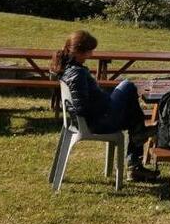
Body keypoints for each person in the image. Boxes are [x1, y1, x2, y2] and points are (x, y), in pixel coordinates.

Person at [51, 30, 157, 182]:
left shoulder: (67, 69)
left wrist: (103, 97)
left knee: (132, 116)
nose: (92, 54)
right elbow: (82, 108)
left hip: (95, 118)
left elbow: (84, 100)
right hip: (99, 122)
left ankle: (136, 158)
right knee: (127, 86)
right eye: (90, 50)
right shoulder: (77, 73)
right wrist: (106, 102)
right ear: (80, 51)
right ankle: (135, 161)